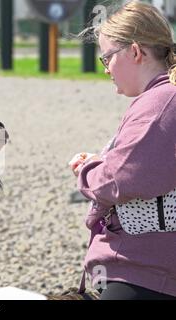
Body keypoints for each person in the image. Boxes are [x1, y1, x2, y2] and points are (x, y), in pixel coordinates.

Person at [68, 1, 176, 300]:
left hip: (146, 274)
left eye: (107, 59)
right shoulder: (162, 98)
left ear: (136, 52)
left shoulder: (161, 103)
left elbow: (121, 179)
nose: (106, 70)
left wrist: (88, 171)